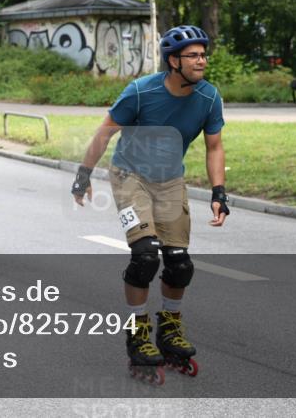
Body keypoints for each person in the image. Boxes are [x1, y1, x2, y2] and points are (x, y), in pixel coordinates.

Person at [71, 25, 228, 384]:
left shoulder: (208, 97)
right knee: (145, 255)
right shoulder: (141, 92)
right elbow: (105, 131)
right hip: (130, 176)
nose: (202, 60)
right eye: (193, 55)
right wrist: (83, 176)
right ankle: (138, 330)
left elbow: (214, 147)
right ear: (174, 61)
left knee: (179, 263)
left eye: (204, 53)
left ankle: (169, 328)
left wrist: (219, 193)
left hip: (170, 180)